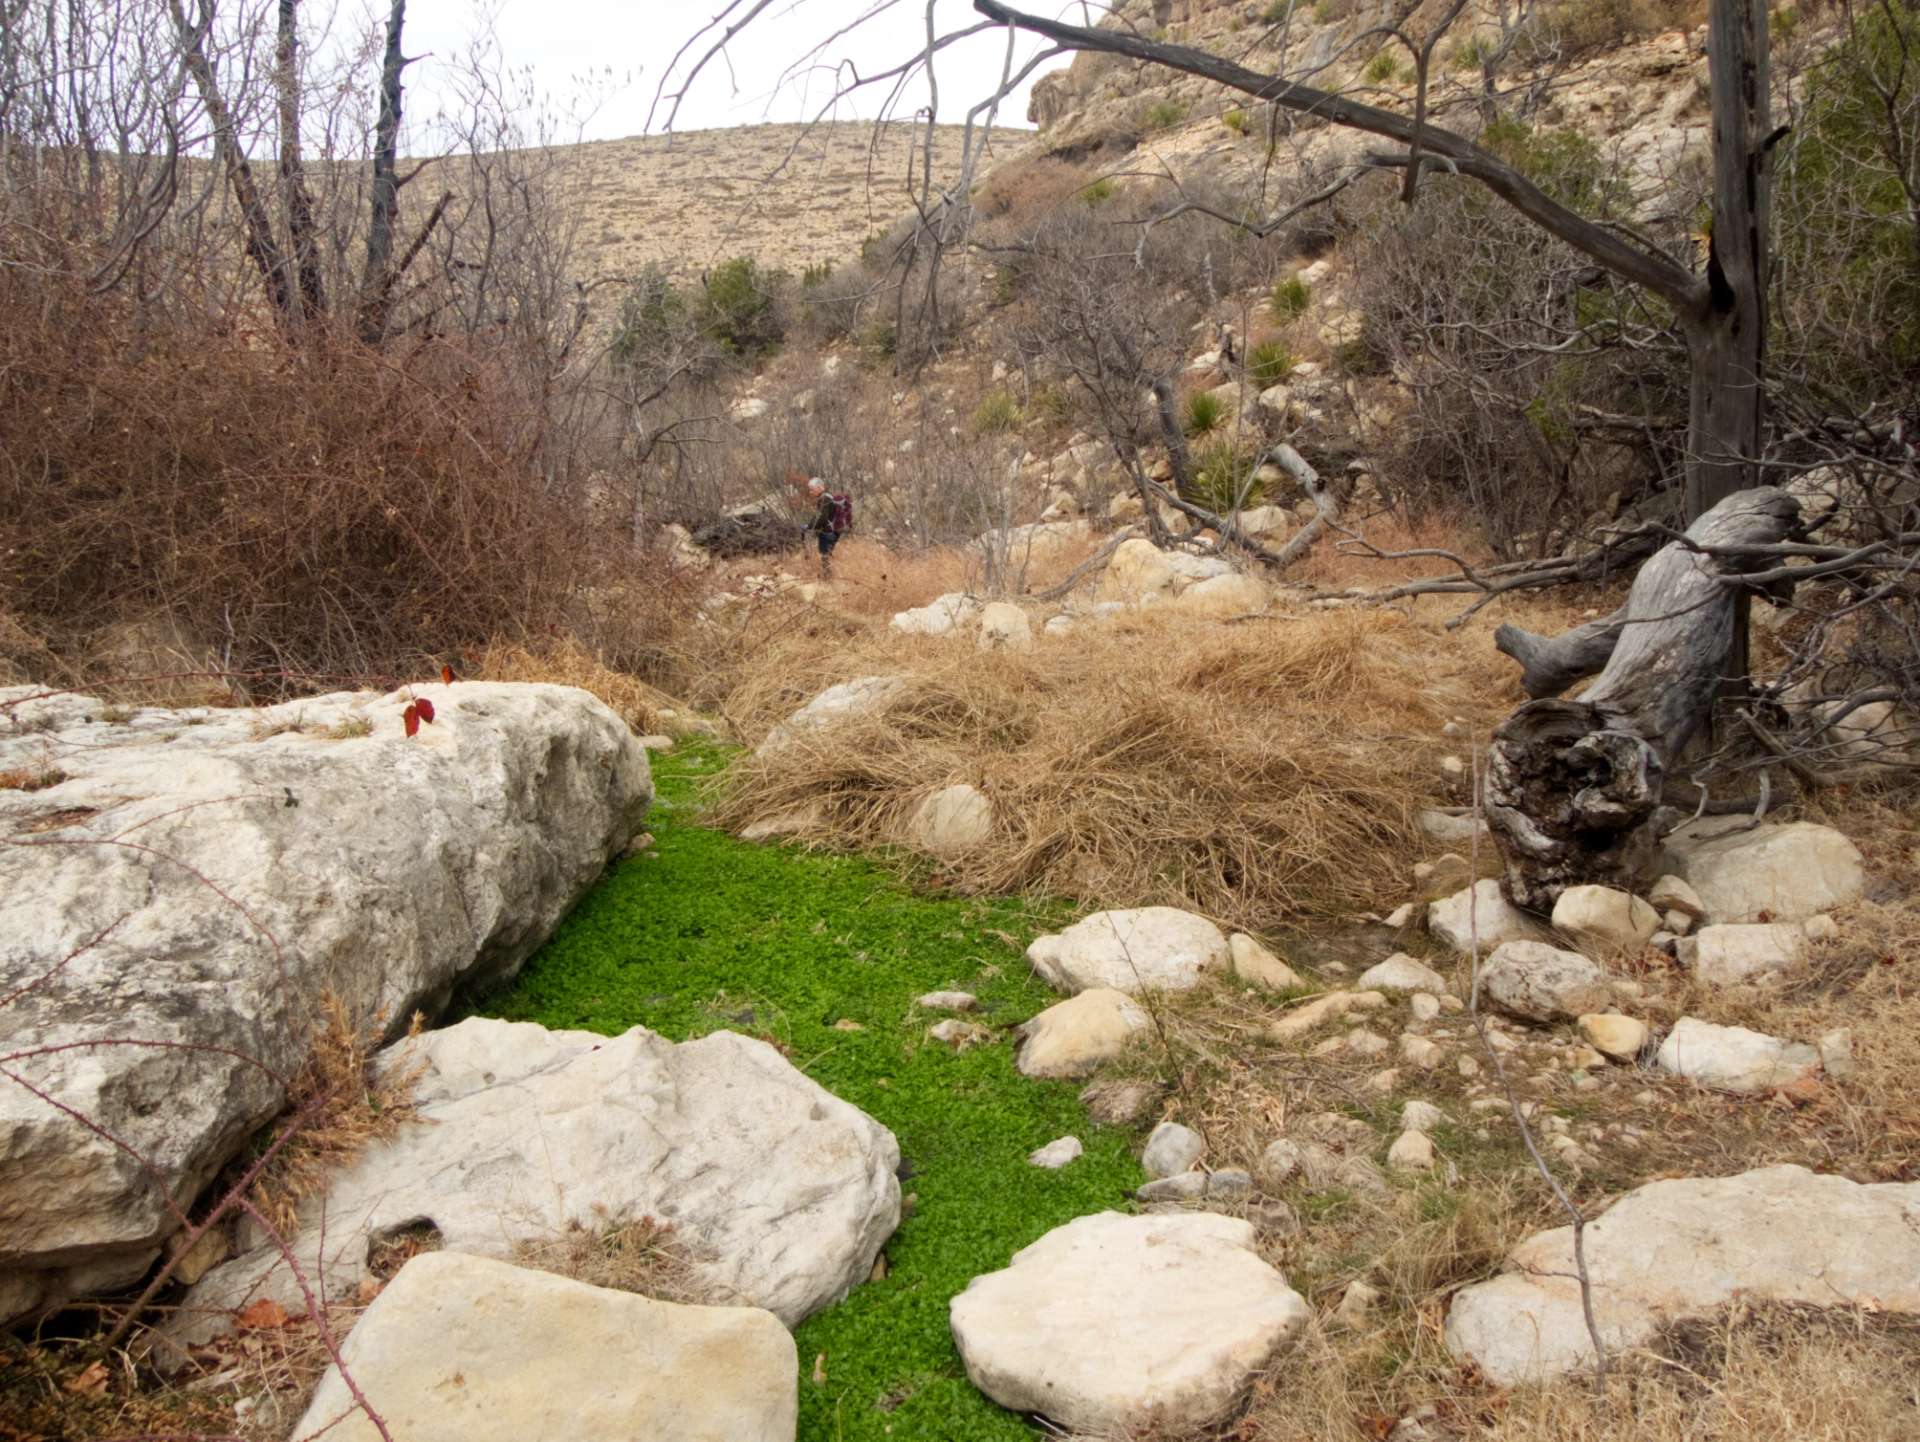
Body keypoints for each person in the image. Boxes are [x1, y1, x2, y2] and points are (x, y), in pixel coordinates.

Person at [802, 477, 849, 578]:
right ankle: (830, 576)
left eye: (811, 489)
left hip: (828, 532)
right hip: (834, 530)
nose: (810, 492)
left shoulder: (823, 498)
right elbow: (819, 515)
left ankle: (828, 578)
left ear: (819, 488)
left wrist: (810, 527)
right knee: (827, 554)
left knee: (825, 556)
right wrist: (809, 525)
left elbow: (823, 517)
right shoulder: (828, 496)